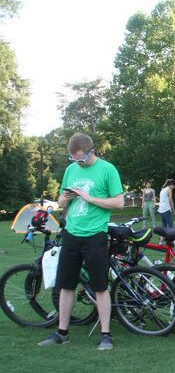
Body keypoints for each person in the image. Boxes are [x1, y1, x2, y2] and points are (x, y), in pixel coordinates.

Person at [39, 133, 124, 350]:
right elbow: (60, 201)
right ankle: (62, 332)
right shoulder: (71, 170)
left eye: (81, 158)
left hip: (95, 234)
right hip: (71, 233)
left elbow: (119, 203)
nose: (78, 162)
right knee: (65, 286)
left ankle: (106, 335)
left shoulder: (108, 169)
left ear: (91, 151)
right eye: (74, 159)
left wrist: (89, 198)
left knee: (100, 286)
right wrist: (64, 198)